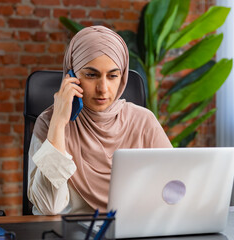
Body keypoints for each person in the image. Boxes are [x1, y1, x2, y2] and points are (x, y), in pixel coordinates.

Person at [27, 26, 172, 215]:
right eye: (91, 75)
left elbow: (173, 187)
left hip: (129, 230)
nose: (103, 88)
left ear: (123, 77)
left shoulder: (143, 120)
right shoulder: (49, 122)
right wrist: (59, 123)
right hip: (70, 232)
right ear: (71, 76)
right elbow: (49, 206)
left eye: (113, 76)